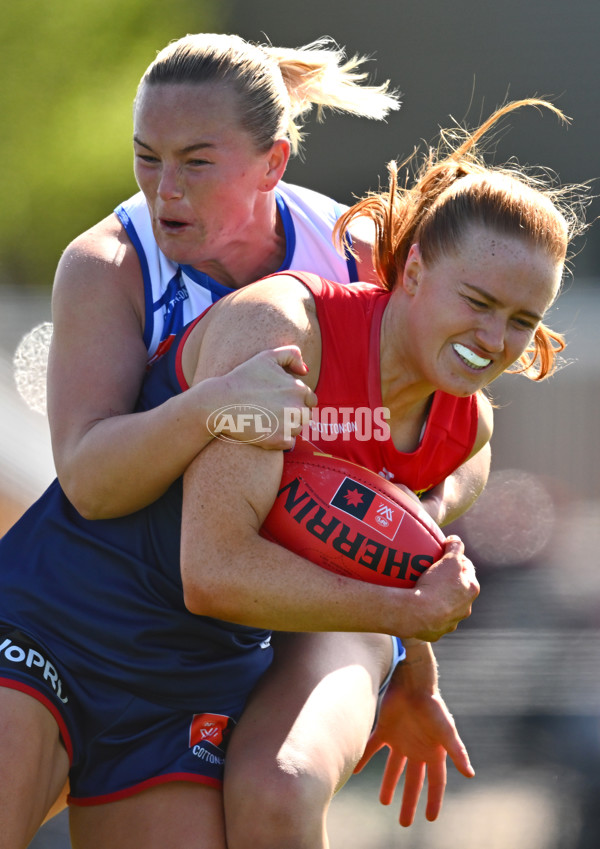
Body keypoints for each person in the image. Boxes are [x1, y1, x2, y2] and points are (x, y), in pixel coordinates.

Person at [1, 95, 585, 848]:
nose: (494, 338)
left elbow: (393, 549)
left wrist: (416, 673)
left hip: (189, 679)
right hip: (62, 621)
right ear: (410, 271)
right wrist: (406, 620)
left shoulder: (462, 432)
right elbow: (212, 569)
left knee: (276, 799)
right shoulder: (282, 331)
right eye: (477, 301)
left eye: (522, 321)